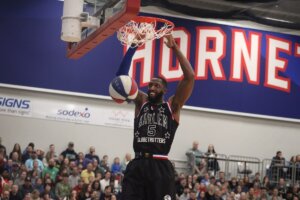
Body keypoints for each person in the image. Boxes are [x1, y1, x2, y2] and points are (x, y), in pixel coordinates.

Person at [119, 34, 195, 200]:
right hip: (137, 164)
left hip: (160, 166)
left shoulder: (172, 106)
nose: (152, 87)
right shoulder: (141, 102)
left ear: (164, 90)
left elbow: (190, 76)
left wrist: (175, 47)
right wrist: (133, 46)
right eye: (150, 85)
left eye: (156, 85)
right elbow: (121, 81)